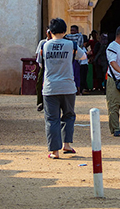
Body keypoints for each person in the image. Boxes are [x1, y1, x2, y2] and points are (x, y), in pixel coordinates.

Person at [41, 18, 87, 158]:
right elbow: (83, 56)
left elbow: (41, 64)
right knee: (68, 116)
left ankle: (54, 151)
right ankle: (67, 145)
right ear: (65, 30)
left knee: (52, 119)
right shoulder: (71, 45)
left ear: (50, 31)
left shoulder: (45, 45)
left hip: (50, 87)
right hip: (68, 87)